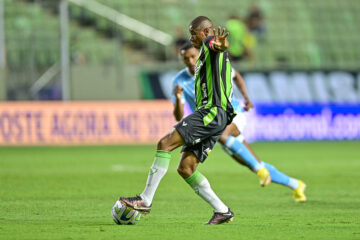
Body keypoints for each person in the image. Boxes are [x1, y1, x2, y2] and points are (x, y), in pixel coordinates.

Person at [119, 16, 237, 225]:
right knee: (186, 168)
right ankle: (222, 210)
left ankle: (145, 200)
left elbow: (218, 45)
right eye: (190, 33)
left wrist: (219, 44)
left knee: (165, 143)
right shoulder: (204, 55)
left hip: (211, 112)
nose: (191, 38)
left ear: (207, 32)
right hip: (217, 116)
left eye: (194, 33)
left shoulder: (211, 46)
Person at [172, 41, 306, 202]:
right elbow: (178, 117)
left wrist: (247, 98)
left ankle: (260, 170)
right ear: (182, 60)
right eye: (186, 59)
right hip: (210, 123)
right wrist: (179, 98)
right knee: (250, 162)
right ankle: (295, 184)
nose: (191, 61)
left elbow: (236, 76)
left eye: (193, 56)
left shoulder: (212, 66)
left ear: (199, 54)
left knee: (223, 134)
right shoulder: (179, 81)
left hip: (232, 113)